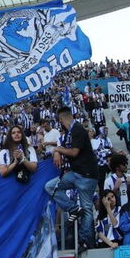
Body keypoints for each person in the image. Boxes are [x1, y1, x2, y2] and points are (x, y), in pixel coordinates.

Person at [46, 106, 99, 250]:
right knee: (50, 186)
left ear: (62, 119)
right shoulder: (70, 132)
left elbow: (74, 152)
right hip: (75, 174)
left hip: (87, 175)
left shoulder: (78, 129)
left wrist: (57, 149)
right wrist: (57, 152)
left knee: (87, 208)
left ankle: (84, 241)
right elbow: (65, 150)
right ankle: (74, 209)